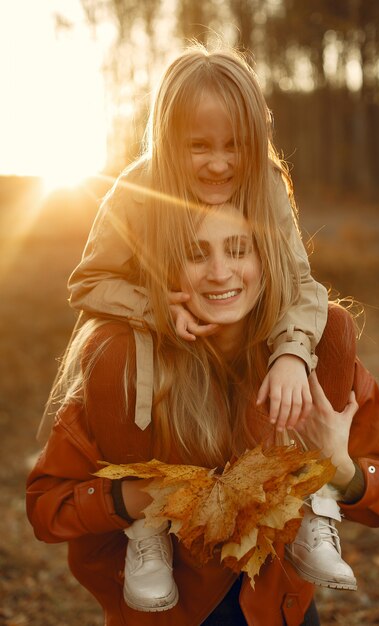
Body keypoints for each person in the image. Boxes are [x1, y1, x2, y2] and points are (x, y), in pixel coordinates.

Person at [35, 42, 354, 608]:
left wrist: (290, 354)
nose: (219, 163)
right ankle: (148, 528)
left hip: (247, 341)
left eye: (234, 145)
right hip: (169, 352)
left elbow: (300, 285)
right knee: (109, 344)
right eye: (198, 146)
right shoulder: (137, 190)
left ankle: (312, 500)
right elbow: (88, 282)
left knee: (328, 323)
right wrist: (157, 308)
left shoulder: (267, 184)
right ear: (166, 141)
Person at [27, 202, 379, 626]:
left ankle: (317, 510)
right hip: (173, 612)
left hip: (276, 609)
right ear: (166, 266)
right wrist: (130, 498)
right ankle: (147, 539)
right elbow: (46, 507)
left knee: (336, 322)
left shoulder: (314, 360)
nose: (220, 271)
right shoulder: (128, 371)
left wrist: (339, 469)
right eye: (196, 253)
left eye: (239, 249)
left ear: (266, 259)